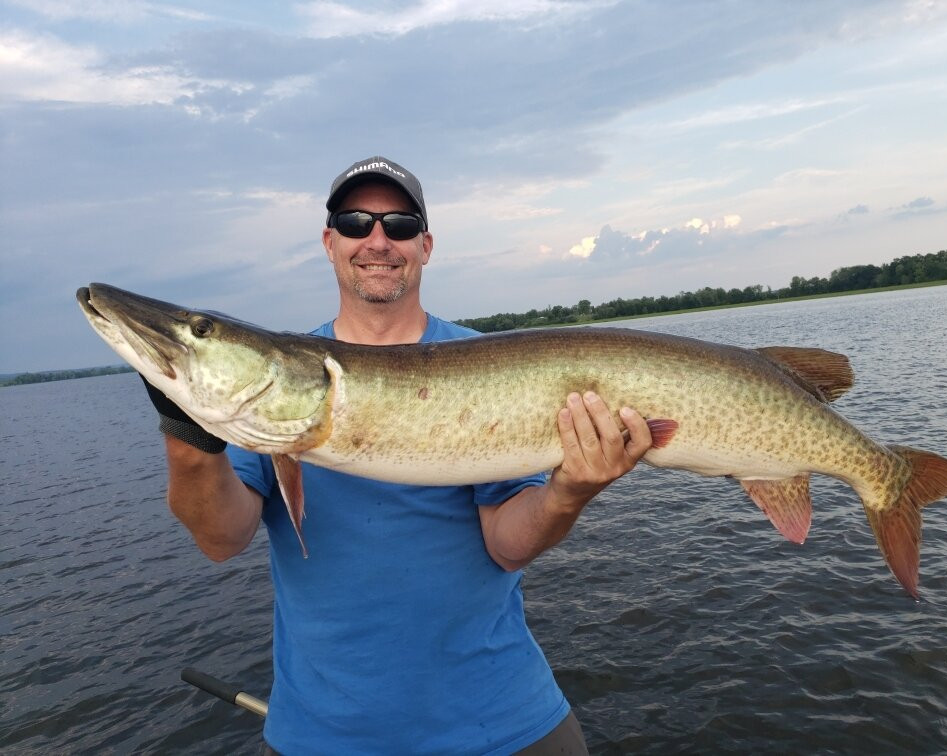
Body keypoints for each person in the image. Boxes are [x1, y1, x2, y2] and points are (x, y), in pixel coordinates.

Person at [146, 156, 653, 754]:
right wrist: (189, 438)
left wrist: (569, 492)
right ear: (330, 242)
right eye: (355, 222)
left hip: (504, 722)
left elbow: (508, 545)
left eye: (401, 225)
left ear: (425, 246)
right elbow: (220, 539)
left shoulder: (489, 364)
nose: (378, 240)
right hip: (323, 736)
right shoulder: (280, 388)